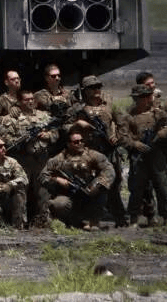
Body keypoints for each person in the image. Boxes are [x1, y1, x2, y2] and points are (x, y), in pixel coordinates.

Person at [69, 75, 127, 227]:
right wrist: (78, 124)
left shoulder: (109, 105)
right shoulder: (79, 109)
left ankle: (120, 218)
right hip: (89, 152)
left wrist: (117, 137)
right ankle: (89, 219)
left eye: (98, 87)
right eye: (92, 88)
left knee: (113, 185)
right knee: (89, 185)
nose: (97, 90)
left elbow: (123, 124)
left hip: (108, 151)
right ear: (85, 91)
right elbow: (65, 125)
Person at [0, 90, 57, 228]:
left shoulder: (44, 116)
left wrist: (47, 135)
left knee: (43, 189)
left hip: (41, 159)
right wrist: (19, 142)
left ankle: (43, 221)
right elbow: (4, 138)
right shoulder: (11, 119)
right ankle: (18, 223)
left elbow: (56, 133)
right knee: (20, 191)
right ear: (19, 102)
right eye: (26, 100)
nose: (30, 102)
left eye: (32, 99)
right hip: (22, 160)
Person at [118, 84, 167, 227]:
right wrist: (134, 144)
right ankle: (134, 219)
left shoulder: (158, 113)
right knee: (137, 189)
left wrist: (165, 132)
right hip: (138, 156)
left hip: (156, 154)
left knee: (162, 187)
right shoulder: (129, 115)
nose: (141, 101)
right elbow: (122, 136)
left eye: (144, 97)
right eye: (138, 98)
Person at [135, 72, 167, 226]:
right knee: (147, 187)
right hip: (146, 152)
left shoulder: (162, 105)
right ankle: (151, 216)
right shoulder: (136, 107)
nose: (152, 86)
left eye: (153, 83)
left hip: (165, 151)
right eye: (148, 84)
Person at [40, 126, 114, 231]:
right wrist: (57, 180)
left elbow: (108, 170)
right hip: (69, 195)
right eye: (76, 142)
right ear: (68, 144)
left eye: (81, 141)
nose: (80, 143)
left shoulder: (93, 155)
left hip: (90, 193)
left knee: (102, 190)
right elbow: (43, 176)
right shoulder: (59, 159)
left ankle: (94, 222)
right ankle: (71, 222)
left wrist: (96, 185)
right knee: (59, 204)